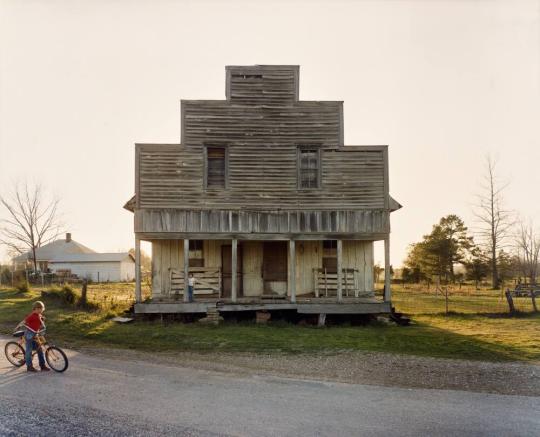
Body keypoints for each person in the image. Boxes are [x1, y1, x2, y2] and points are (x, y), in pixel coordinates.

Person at [22, 301, 50, 372]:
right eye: (38, 309)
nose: (40, 310)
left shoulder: (39, 315)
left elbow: (39, 320)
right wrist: (23, 325)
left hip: (36, 334)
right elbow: (25, 322)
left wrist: (42, 319)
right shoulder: (31, 316)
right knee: (29, 350)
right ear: (35, 309)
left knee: (39, 349)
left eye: (41, 309)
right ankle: (29, 366)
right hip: (29, 334)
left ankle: (42, 365)